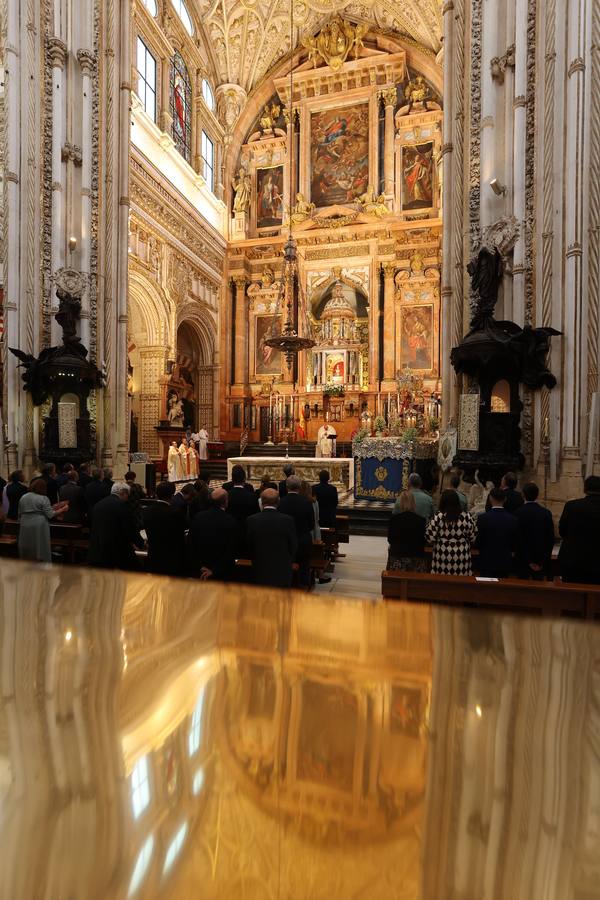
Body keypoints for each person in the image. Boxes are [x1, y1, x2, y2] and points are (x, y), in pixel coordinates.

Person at [246, 489, 298, 588]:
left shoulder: (251, 520)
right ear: (278, 501)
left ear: (261, 501)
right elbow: (293, 545)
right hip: (282, 569)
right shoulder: (288, 520)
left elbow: (249, 545)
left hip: (260, 568)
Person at [88, 482, 145, 570]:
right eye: (127, 495)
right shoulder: (121, 505)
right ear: (124, 493)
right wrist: (141, 544)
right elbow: (129, 528)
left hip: (98, 549)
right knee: (137, 571)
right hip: (117, 549)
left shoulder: (98, 504)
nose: (127, 498)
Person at [558, 475, 600, 584]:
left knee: (570, 597)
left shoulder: (572, 506)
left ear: (584, 489)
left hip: (574, 562)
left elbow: (562, 531)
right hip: (597, 563)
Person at [187, 488, 237, 580]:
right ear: (226, 502)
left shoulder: (198, 517)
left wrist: (199, 566)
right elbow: (231, 549)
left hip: (200, 571)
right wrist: (214, 570)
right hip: (222, 573)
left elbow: (190, 543)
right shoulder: (230, 520)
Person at [425, 489, 477, 575]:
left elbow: (429, 537)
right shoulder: (466, 516)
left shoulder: (439, 516)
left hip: (442, 555)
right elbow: (473, 537)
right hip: (462, 555)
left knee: (441, 584)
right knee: (462, 584)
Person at [17, 479, 69, 562]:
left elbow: (20, 513)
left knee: (27, 544)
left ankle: (26, 563)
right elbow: (50, 514)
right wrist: (63, 509)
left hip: (25, 522)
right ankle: (41, 564)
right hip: (39, 524)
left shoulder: (24, 497)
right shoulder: (43, 498)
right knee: (40, 545)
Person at [142, 481, 187, 576]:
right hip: (172, 558)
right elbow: (180, 535)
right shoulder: (176, 512)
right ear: (172, 495)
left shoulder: (146, 511)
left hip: (154, 556)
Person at [279, 475, 315, 588]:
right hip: (303, 538)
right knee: (304, 565)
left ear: (286, 487)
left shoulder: (280, 502)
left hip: (285, 540)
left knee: (285, 564)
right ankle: (304, 586)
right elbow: (311, 524)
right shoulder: (306, 502)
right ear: (299, 487)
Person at [514, 482, 555, 580]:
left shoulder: (518, 513)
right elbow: (550, 538)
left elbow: (518, 539)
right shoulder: (545, 513)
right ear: (537, 495)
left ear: (523, 495)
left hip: (523, 559)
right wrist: (542, 561)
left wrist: (528, 561)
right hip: (540, 559)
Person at [475, 487, 519, 578]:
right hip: (504, 561)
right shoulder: (512, 519)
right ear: (505, 499)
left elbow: (479, 541)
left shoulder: (483, 518)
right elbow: (514, 543)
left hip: (486, 560)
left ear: (490, 498)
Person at [387, 490, 428, 572]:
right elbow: (424, 540)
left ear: (401, 503)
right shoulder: (422, 520)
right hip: (416, 559)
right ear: (413, 503)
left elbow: (390, 539)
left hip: (397, 558)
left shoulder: (394, 519)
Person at [227, 466, 260, 556]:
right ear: (244, 479)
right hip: (247, 531)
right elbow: (256, 515)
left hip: (229, 532)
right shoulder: (251, 496)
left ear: (232, 479)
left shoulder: (226, 495)